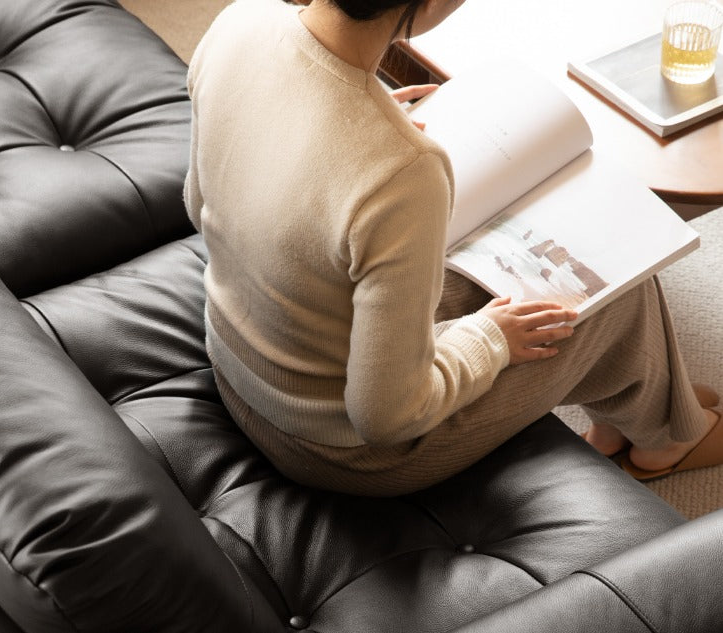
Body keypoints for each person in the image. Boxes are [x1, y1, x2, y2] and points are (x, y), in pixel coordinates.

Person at [183, 0, 722, 495]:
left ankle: (634, 419)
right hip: (338, 446)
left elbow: (200, 203)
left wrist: (366, 119)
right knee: (613, 291)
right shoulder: (401, 172)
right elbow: (386, 417)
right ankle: (667, 442)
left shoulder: (241, 22)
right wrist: (489, 339)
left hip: (239, 362)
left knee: (514, 261)